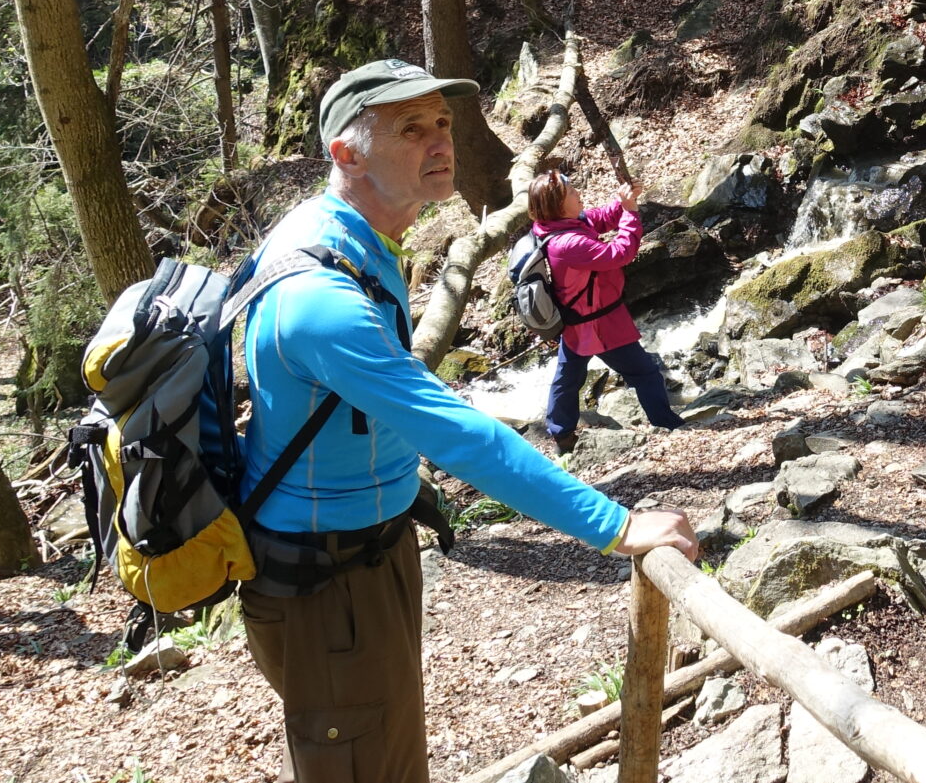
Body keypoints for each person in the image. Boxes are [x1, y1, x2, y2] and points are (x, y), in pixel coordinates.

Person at [238, 59, 698, 783]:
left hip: (364, 554)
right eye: (410, 128)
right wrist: (616, 525)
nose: (440, 141)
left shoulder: (348, 236)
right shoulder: (319, 298)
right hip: (326, 584)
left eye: (443, 122)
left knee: (387, 753)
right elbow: (454, 431)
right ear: (346, 153)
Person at [532, 169, 689, 443]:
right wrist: (631, 214)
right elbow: (619, 254)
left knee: (567, 380)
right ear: (558, 205)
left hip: (577, 319)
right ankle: (669, 427)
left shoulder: (559, 226)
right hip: (598, 325)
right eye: (571, 192)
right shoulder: (568, 243)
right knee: (645, 372)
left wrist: (624, 200)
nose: (578, 193)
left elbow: (602, 217)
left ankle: (562, 435)